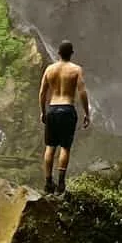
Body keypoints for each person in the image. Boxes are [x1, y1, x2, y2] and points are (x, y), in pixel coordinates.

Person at [39, 40, 91, 194]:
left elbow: (42, 93)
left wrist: (43, 111)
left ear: (58, 53)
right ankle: (61, 183)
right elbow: (82, 92)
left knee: (50, 147)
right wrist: (87, 113)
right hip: (68, 109)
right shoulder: (76, 70)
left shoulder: (50, 69)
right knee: (65, 147)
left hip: (53, 109)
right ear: (71, 53)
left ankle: (48, 182)